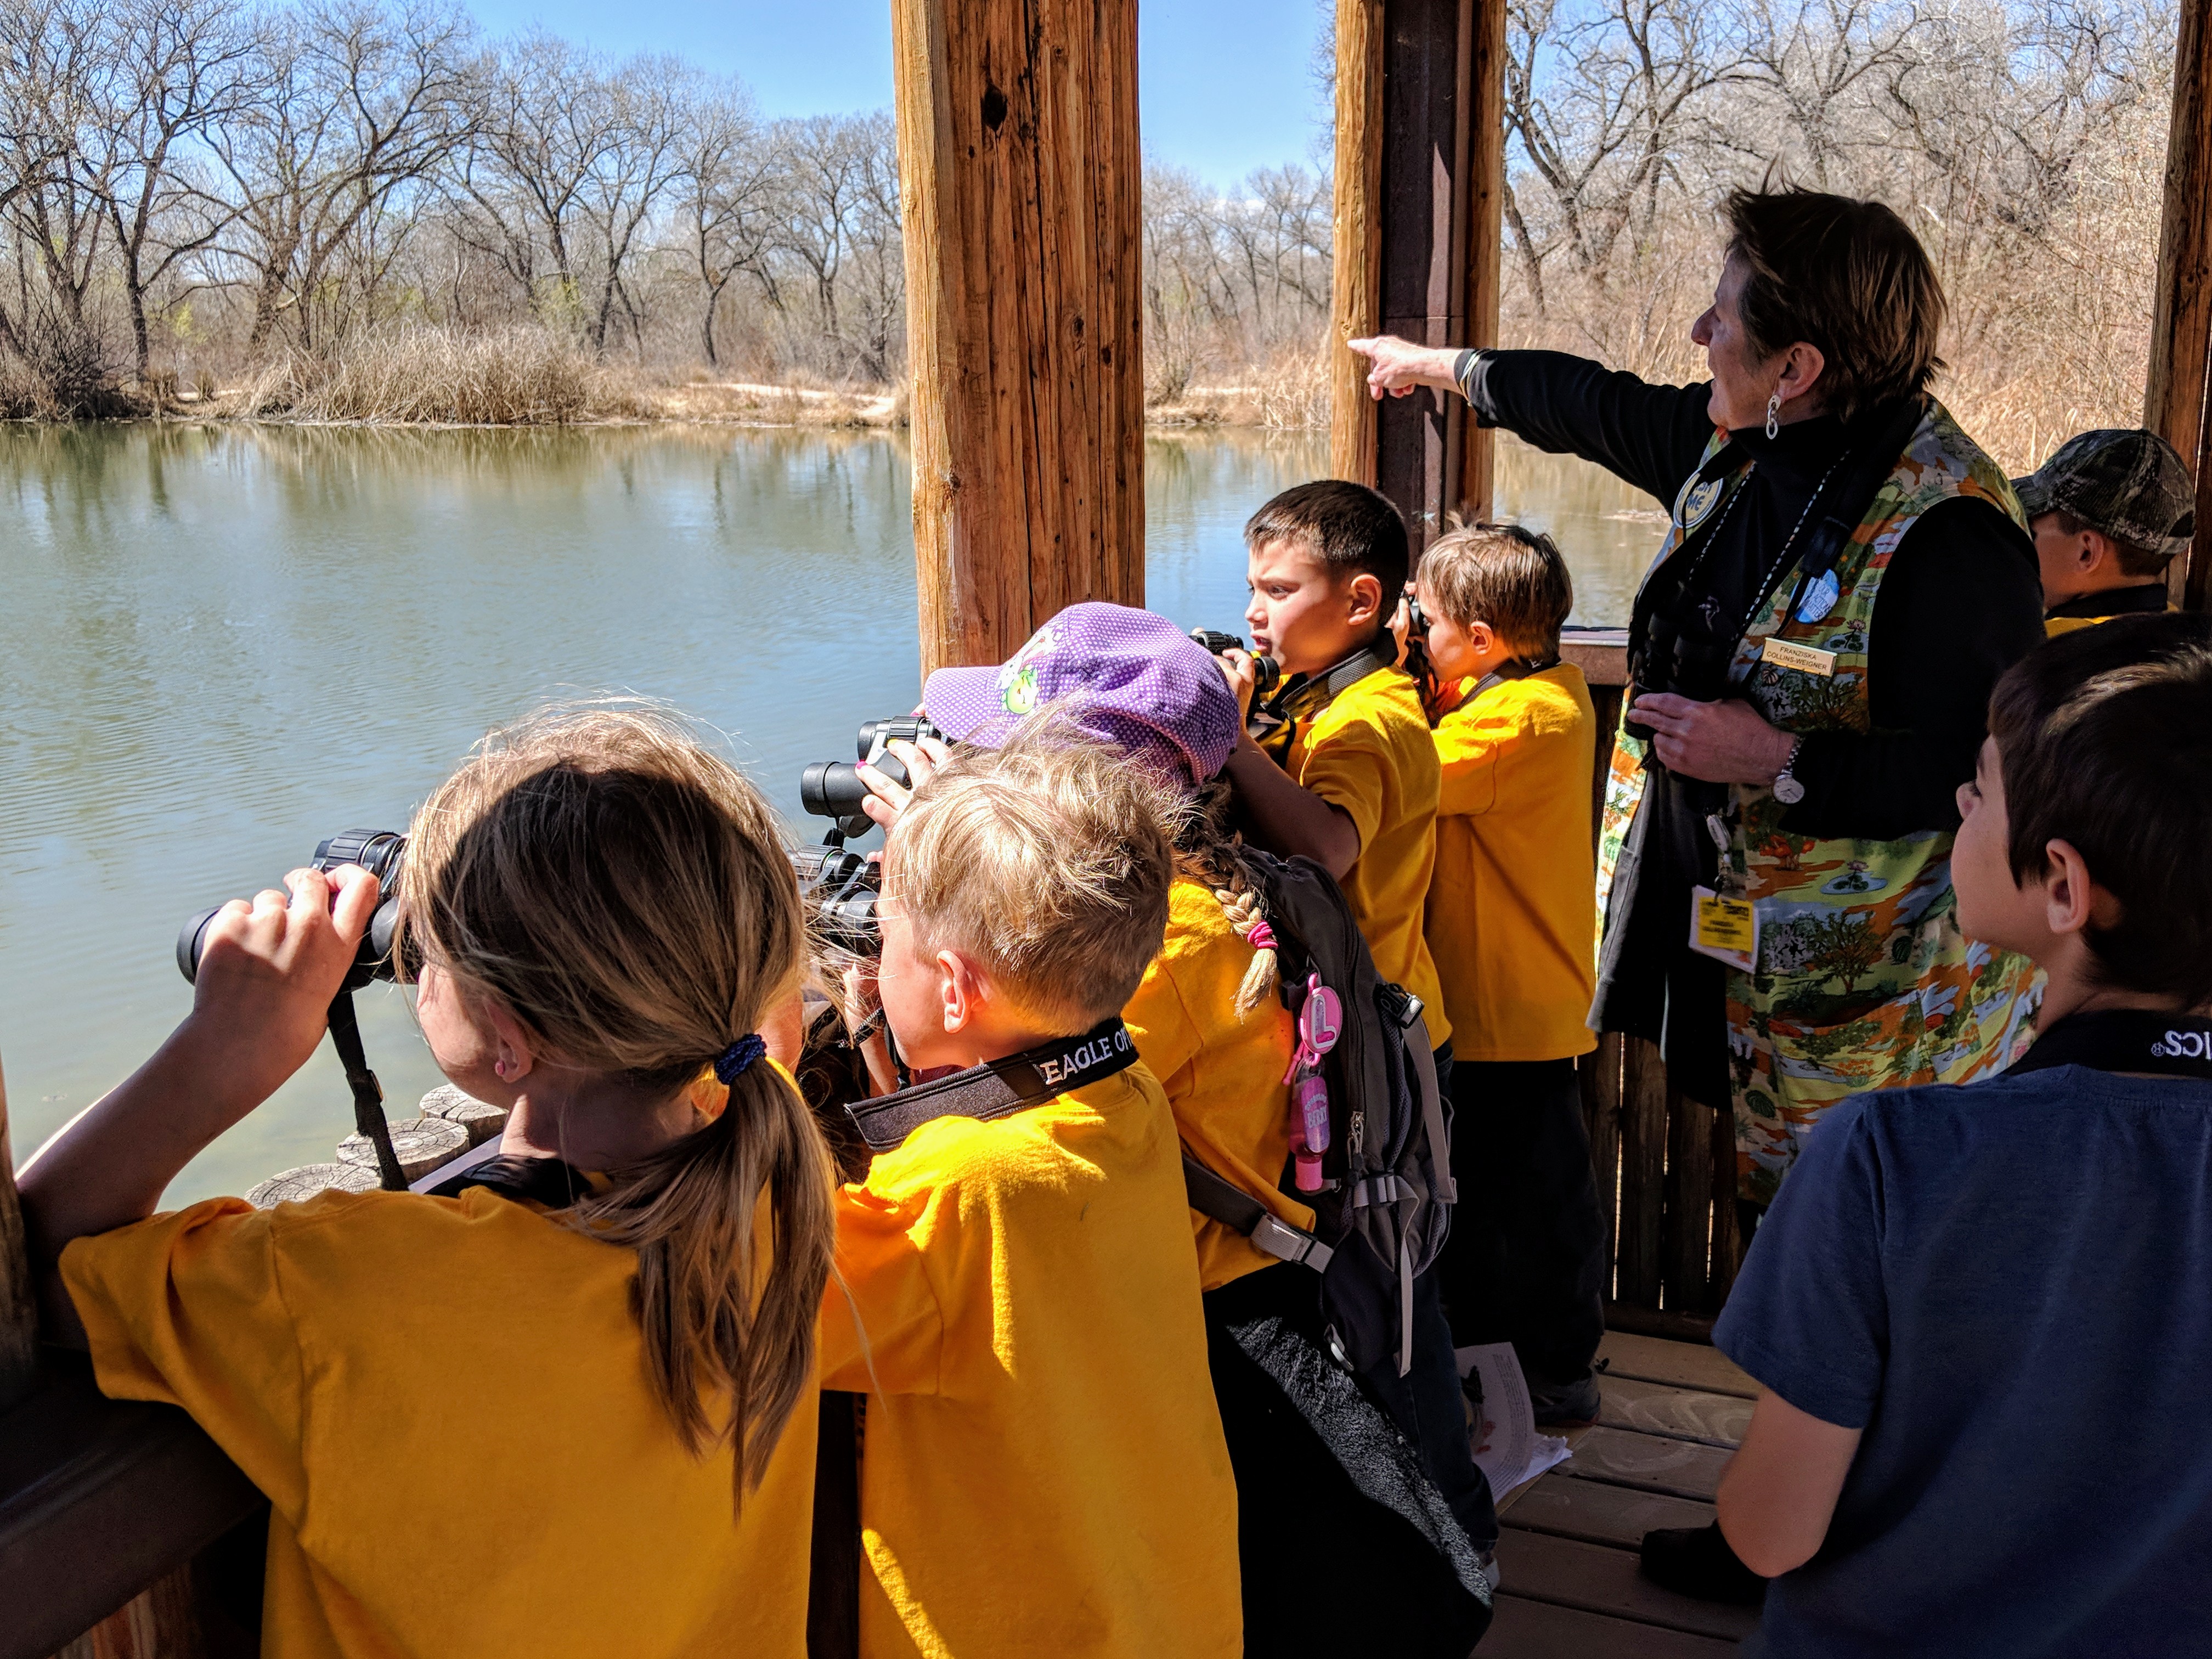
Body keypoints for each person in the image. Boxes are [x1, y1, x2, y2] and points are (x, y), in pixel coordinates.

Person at [1353, 183, 2046, 1599]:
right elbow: (1595, 403)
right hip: (1737, 946)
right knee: (1783, 1221)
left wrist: (1780, 758)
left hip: (1867, 992)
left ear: (1800, 363)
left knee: (1857, 1243)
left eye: (1721, 316)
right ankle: (1807, 1506)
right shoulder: (1742, 449)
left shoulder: (1951, 526)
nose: (1694, 333)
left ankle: (1830, 1545)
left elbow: (1978, 762)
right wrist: (1450, 374)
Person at [18, 707, 837, 1658]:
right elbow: (742, 1024)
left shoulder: (339, 1290)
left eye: (429, 948)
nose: (412, 969)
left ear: (509, 1040)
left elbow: (45, 1245)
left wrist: (226, 1050)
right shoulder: (776, 1178)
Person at [859, 605, 1497, 1655]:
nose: (972, 761)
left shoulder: (1166, 943)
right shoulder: (1217, 889)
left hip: (1212, 1316)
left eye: (997, 760)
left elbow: (1013, 1076)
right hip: (1260, 1275)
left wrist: (952, 877)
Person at [1708, 612, 2212, 1657]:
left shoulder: (1889, 1157)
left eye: (1981, 786)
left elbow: (1764, 1534)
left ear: (2066, 886)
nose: (1959, 802)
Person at [820, 729, 1243, 1659]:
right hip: (1159, 1605)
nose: (869, 945)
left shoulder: (963, 1189)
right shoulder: (1124, 1095)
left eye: (884, 930)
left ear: (955, 987)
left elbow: (758, 1296)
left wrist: (755, 1068)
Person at [1213, 478, 1497, 1562]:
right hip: (1371, 1037)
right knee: (1382, 1284)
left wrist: (1230, 745)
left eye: (1278, 589)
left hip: (1380, 1060)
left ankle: (1449, 1533)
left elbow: (1329, 851)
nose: (1255, 612)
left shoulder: (1369, 720)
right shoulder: (1326, 697)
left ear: (1364, 600)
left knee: (1394, 1295)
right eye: (1253, 588)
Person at [1395, 524, 1606, 1425]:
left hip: (1503, 1011)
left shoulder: (1513, 721)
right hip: (1524, 1002)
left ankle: (1552, 1367)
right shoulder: (1550, 690)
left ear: (1479, 641)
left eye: (1425, 619)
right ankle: (1543, 1358)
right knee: (1530, 1190)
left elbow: (1394, 776)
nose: (1413, 631)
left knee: (1521, 1203)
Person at [2012, 427, 2192, 635]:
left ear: (2086, 553)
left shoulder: (2035, 647)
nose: (2019, 545)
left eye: (2029, 532)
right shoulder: (2180, 635)